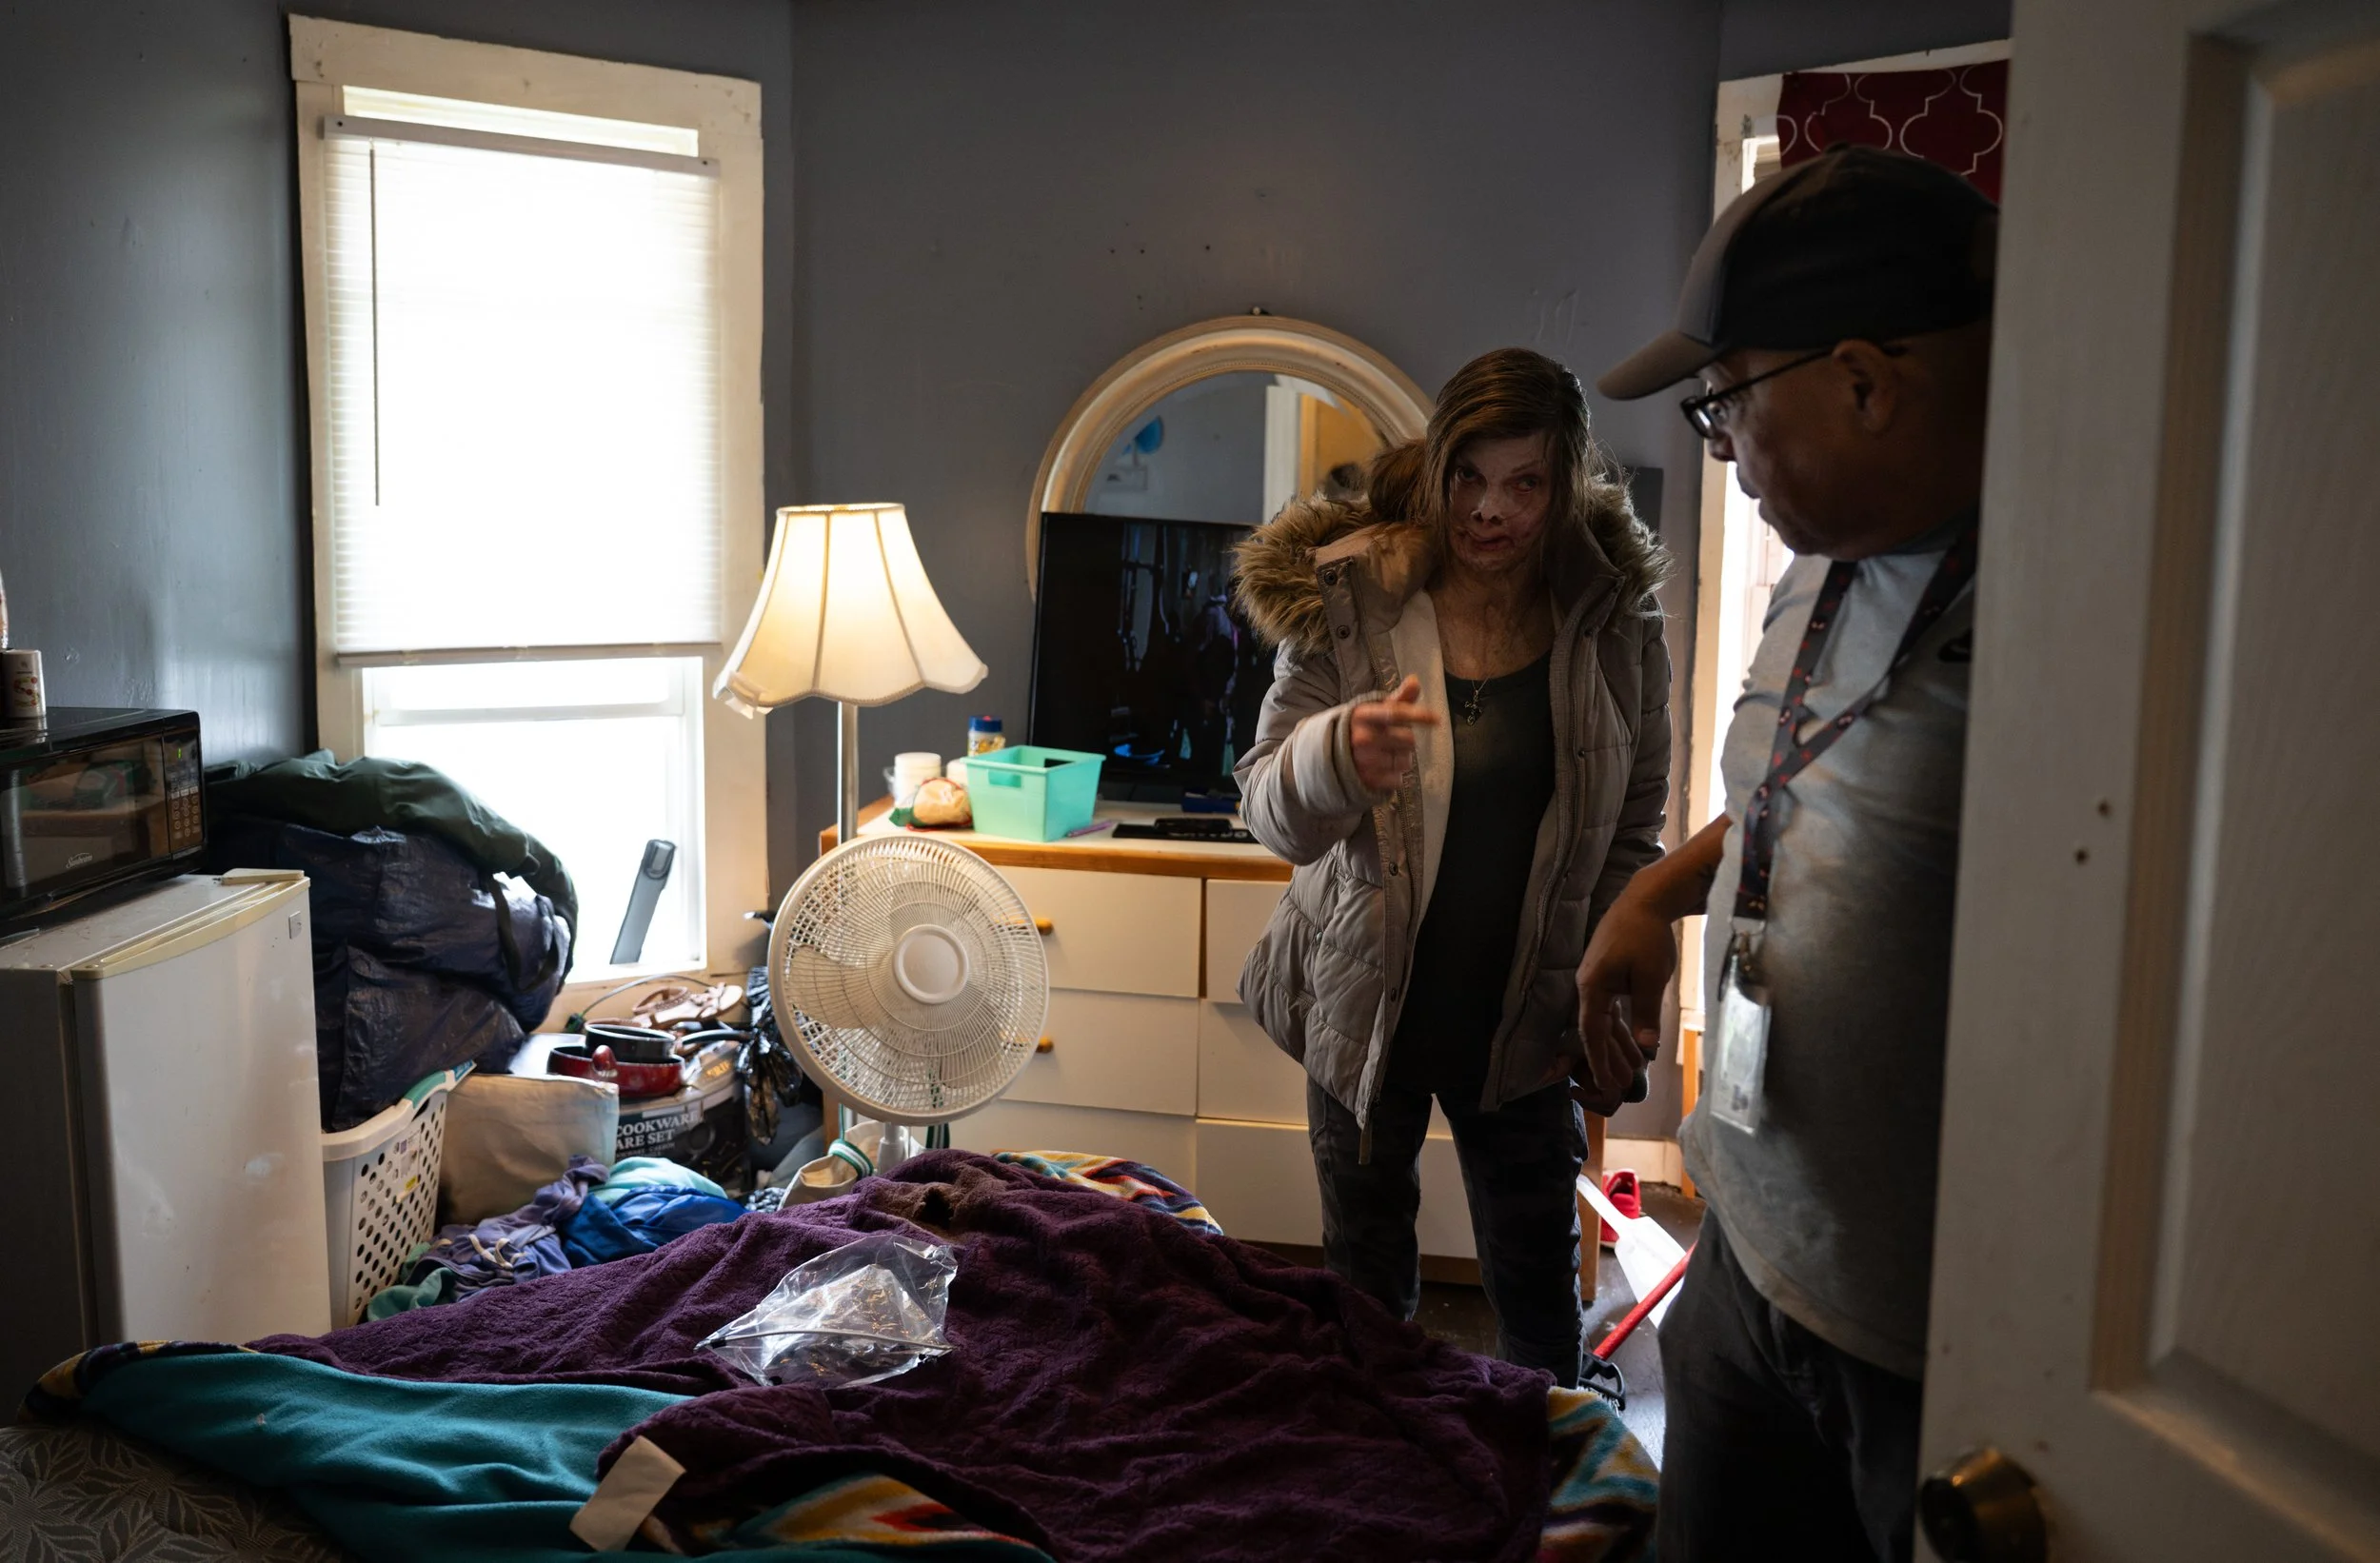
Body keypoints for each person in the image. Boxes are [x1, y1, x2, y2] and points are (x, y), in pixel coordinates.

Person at [1586, 144, 1999, 1560]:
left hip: (1922, 1328)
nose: (1728, 452)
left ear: (1868, 381)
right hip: (1751, 1250)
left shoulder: (2097, 595)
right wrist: (1661, 884)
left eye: (1728, 405)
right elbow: (1800, 797)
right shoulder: (1825, 548)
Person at [1232, 347, 1673, 1385]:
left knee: (1534, 1286)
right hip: (1366, 1004)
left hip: (1524, 1013)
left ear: (1563, 484)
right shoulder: (1352, 597)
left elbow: (1632, 836)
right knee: (1366, 1286)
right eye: (1468, 477)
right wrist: (1335, 751)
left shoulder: (1614, 620)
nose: (1490, 512)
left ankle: (1554, 1483)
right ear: (1435, 471)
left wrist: (1610, 995)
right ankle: (1375, 1469)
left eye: (1524, 482)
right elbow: (1266, 809)